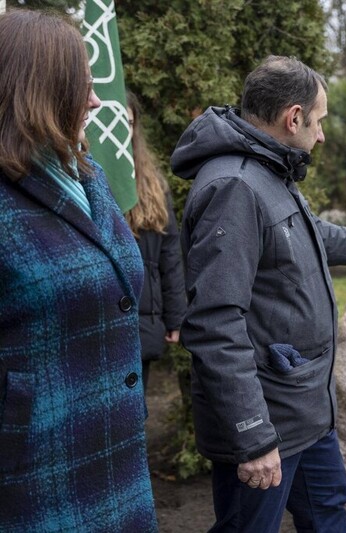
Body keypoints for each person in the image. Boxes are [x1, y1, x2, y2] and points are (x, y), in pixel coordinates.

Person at [172, 55, 346, 532]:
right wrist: (253, 437)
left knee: (327, 515)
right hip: (266, 423)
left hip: (306, 413)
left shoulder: (270, 172)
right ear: (294, 117)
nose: (321, 135)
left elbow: (309, 234)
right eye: (319, 121)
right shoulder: (236, 187)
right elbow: (214, 324)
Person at [0, 9, 157, 531]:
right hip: (34, 479)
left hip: (116, 465)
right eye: (82, 87)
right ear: (37, 91)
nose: (96, 102)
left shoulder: (87, 174)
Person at [125, 91, 186, 392]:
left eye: (128, 123)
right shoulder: (78, 176)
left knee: (135, 414)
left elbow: (169, 253)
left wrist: (174, 315)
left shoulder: (153, 185)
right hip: (97, 325)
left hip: (141, 323)